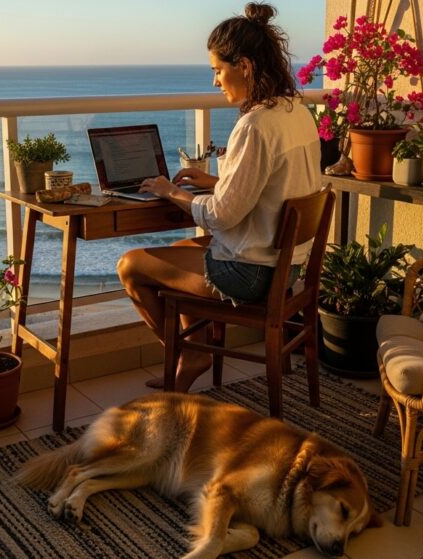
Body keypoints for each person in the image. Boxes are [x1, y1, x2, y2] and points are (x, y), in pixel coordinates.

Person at [117, 2, 322, 393]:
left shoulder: (255, 125)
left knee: (131, 266)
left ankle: (187, 354)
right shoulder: (295, 111)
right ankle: (193, 351)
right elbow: (273, 183)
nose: (215, 81)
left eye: (217, 70)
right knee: (179, 247)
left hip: (252, 276)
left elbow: (224, 217)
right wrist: (214, 179)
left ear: (243, 65)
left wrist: (171, 191)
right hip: (289, 268)